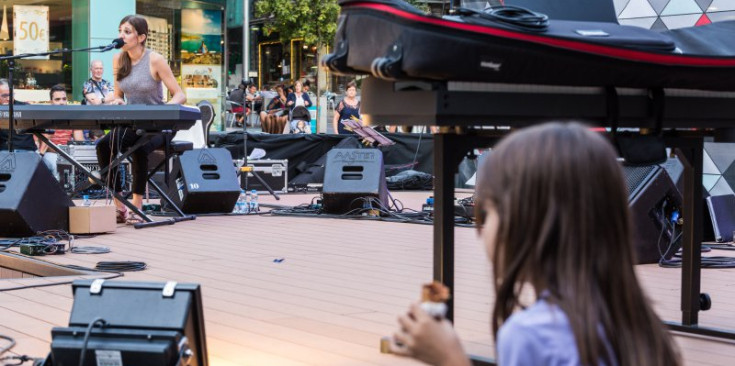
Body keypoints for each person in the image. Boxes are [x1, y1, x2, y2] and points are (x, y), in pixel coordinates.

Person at [391, 123, 681, 366]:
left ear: (523, 225)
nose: (481, 228)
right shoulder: (641, 323)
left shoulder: (531, 335)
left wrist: (450, 357)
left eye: (487, 212)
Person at [96, 15, 186, 224]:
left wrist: (165, 112)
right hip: (133, 122)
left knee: (139, 148)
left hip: (158, 125)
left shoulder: (155, 59)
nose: (121, 36)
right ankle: (120, 205)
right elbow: (119, 94)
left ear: (141, 37)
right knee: (103, 145)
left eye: (127, 32)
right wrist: (117, 101)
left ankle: (137, 204)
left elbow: (179, 94)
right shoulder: (118, 59)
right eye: (120, 31)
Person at [36, 85, 85, 179]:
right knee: (56, 164)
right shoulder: (44, 117)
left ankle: (75, 190)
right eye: (57, 99)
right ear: (51, 102)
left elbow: (79, 142)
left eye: (64, 99)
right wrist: (63, 151)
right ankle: (61, 192)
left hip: (68, 153)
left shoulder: (72, 117)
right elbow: (42, 145)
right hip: (50, 154)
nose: (62, 102)